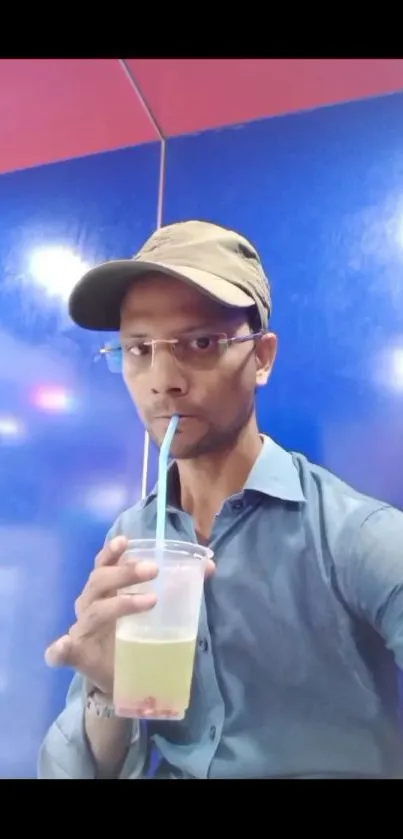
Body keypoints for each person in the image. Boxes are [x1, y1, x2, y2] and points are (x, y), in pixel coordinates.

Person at [38, 220, 403, 780]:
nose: (163, 380)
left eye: (200, 343)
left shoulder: (354, 536)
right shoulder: (132, 540)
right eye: (139, 349)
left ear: (261, 357)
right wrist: (107, 692)